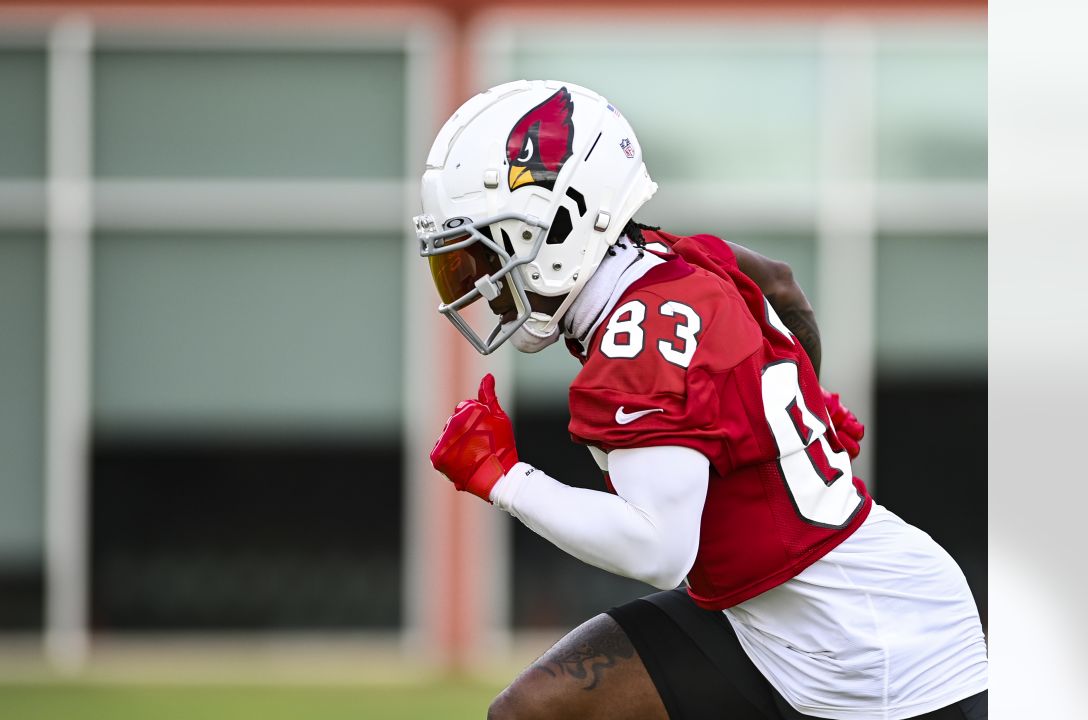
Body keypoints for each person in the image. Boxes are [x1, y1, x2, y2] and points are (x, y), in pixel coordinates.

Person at [415, 80, 987, 720]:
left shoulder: (641, 340)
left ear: (565, 223)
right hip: (766, 613)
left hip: (868, 644)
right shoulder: (671, 259)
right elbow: (780, 284)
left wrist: (501, 477)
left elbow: (657, 551)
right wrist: (794, 411)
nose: (484, 288)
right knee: (534, 711)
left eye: (488, 254)